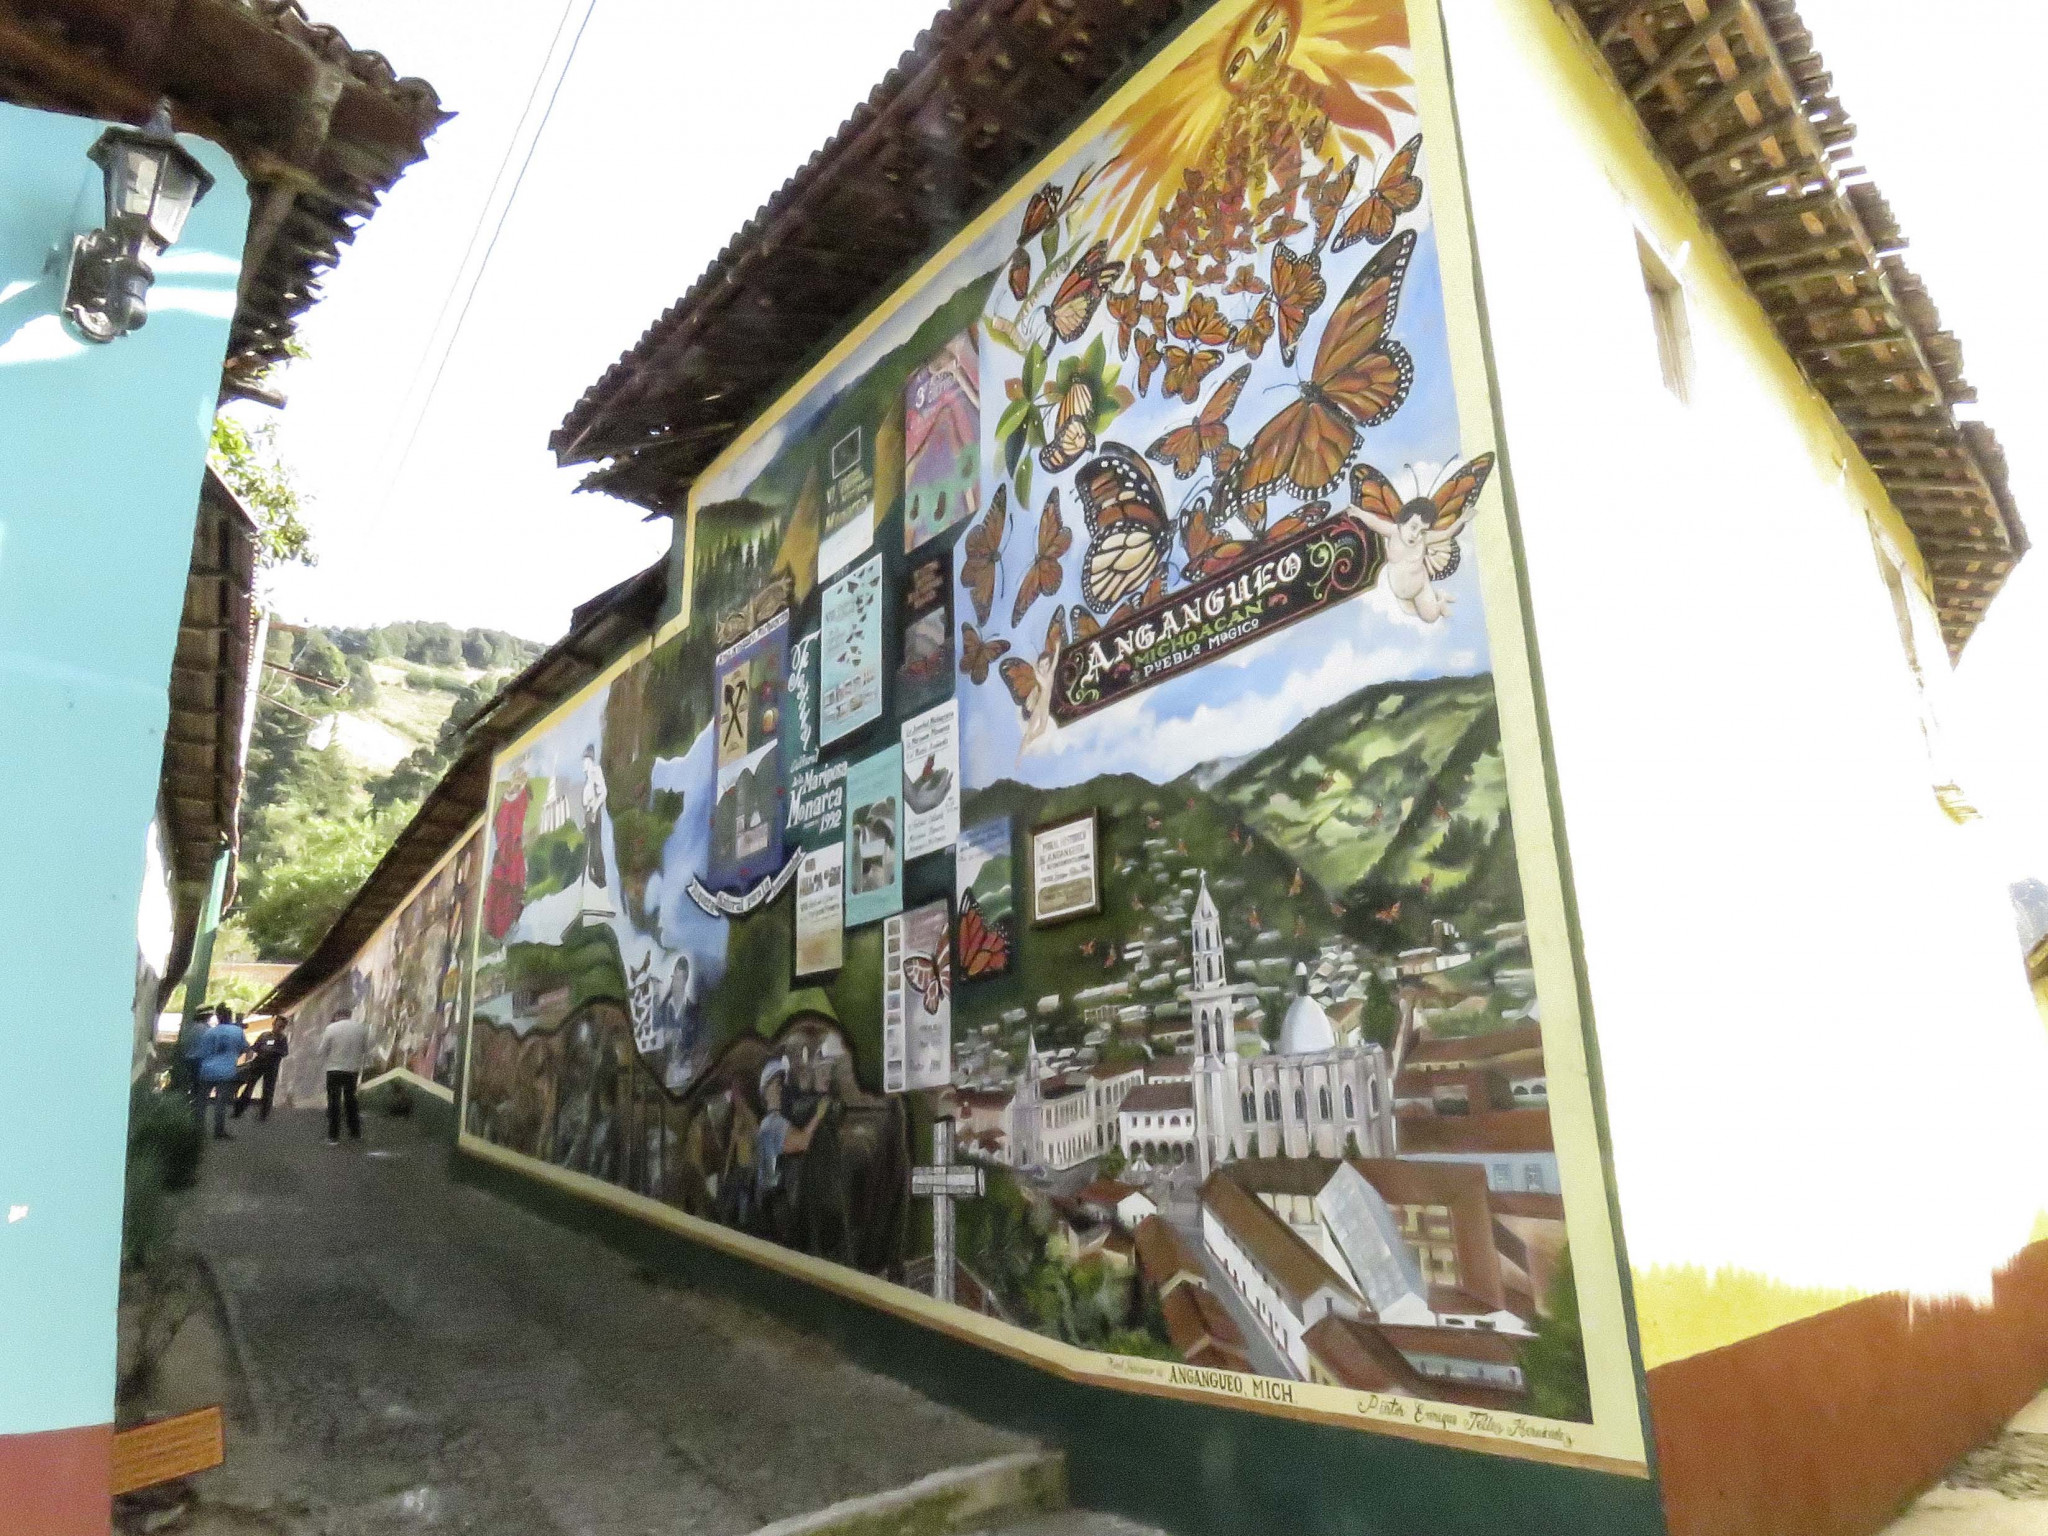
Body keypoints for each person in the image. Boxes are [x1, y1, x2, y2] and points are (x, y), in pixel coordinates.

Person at [193, 1009, 249, 1140]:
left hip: (207, 1071)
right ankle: (219, 1131)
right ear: (230, 1017)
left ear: (218, 1018)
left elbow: (201, 1053)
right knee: (221, 1103)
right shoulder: (237, 1031)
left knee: (201, 1102)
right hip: (226, 1072)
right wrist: (234, 1056)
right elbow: (245, 1048)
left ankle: (198, 1131)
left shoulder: (209, 1032)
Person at [319, 1007, 370, 1145]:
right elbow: (366, 1048)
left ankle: (333, 1136)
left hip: (334, 1069)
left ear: (337, 1016)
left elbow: (322, 1049)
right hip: (352, 1070)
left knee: (333, 1102)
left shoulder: (331, 1028)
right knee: (351, 1101)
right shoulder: (361, 1028)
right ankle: (355, 1133)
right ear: (349, 1015)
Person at [233, 1017, 291, 1122]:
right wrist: (251, 1053)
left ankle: (263, 1114)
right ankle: (238, 1110)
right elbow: (255, 1047)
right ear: (274, 1024)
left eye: (282, 1027)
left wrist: (274, 1051)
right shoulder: (264, 1035)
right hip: (259, 1064)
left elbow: (284, 1052)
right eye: (278, 1025)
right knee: (249, 1086)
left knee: (268, 1090)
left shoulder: (282, 1039)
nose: (279, 1028)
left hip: (272, 1066)